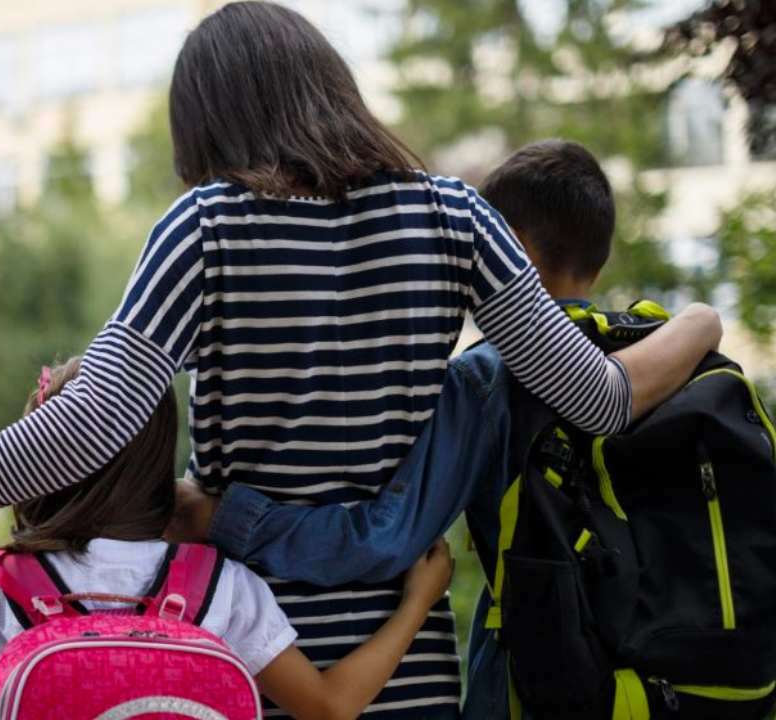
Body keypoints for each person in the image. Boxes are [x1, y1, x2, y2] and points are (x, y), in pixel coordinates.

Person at [0, 4, 722, 716]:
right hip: (406, 662)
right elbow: (599, 400)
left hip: (239, 656)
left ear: (206, 124)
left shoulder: (205, 228)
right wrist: (701, 324)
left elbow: (88, 425)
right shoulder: (455, 217)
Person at [165, 140, 706, 719]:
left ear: (510, 250)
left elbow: (384, 537)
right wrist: (703, 319)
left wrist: (220, 518)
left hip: (542, 683)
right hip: (678, 681)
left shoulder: (490, 381)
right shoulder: (665, 358)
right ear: (597, 257)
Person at [0, 359, 456, 720]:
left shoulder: (7, 594)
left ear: (37, 461)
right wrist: (416, 604)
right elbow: (332, 709)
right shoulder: (220, 586)